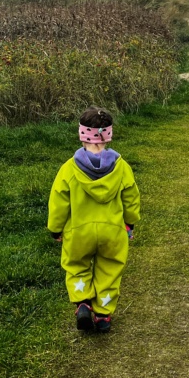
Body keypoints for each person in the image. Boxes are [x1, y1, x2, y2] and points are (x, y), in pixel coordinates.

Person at [47, 106, 140, 333]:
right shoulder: (122, 168)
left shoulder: (68, 169)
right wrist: (130, 222)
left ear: (81, 135)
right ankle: (103, 316)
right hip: (113, 232)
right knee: (110, 270)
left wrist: (55, 229)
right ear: (109, 135)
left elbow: (58, 201)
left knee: (77, 266)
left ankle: (83, 304)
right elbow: (131, 198)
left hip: (79, 232)